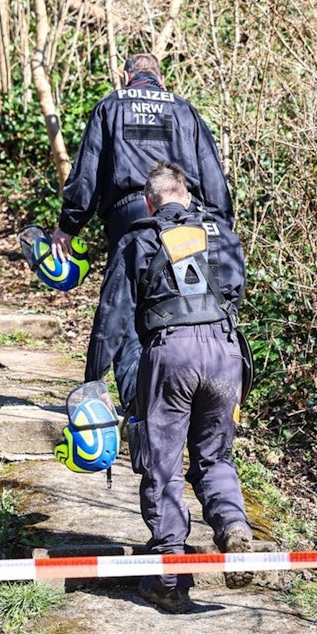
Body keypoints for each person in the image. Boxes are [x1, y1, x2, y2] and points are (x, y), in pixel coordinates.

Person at [85, 160, 253, 614]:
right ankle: (233, 526)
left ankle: (168, 575)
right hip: (224, 352)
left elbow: (113, 316)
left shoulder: (138, 238)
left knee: (163, 464)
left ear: (148, 200)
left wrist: (92, 379)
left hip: (170, 353)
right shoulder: (222, 233)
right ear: (188, 194)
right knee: (215, 456)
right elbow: (234, 291)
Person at [51, 52, 234, 409]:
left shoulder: (110, 107)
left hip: (130, 216)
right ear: (160, 78)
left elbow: (88, 171)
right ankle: (190, 390)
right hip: (188, 218)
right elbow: (212, 175)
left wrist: (68, 226)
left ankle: (138, 400)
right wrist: (220, 230)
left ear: (124, 75)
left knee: (130, 304)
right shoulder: (183, 109)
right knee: (181, 303)